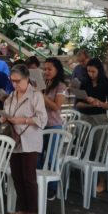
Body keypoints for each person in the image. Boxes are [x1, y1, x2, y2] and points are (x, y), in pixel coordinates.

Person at [3, 64, 48, 214]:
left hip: (30, 140)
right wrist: (5, 117)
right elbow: (7, 110)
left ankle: (32, 212)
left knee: (29, 178)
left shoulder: (36, 95)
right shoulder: (12, 95)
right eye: (12, 81)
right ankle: (22, 209)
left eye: (17, 81)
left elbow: (42, 119)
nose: (14, 84)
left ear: (27, 79)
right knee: (16, 175)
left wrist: (23, 120)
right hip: (15, 138)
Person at [41, 57, 67, 199]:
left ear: (57, 70)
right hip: (40, 124)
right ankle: (40, 184)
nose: (46, 71)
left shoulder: (61, 86)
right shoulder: (44, 83)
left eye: (49, 69)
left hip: (54, 125)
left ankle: (52, 189)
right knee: (38, 155)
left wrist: (42, 96)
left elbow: (57, 106)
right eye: (45, 69)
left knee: (51, 157)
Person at [76, 58, 108, 126]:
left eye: (93, 72)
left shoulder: (106, 83)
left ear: (99, 71)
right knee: (84, 136)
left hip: (99, 117)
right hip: (84, 117)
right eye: (88, 71)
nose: (90, 74)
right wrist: (90, 105)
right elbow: (78, 104)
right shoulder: (84, 82)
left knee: (99, 136)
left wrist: (99, 103)